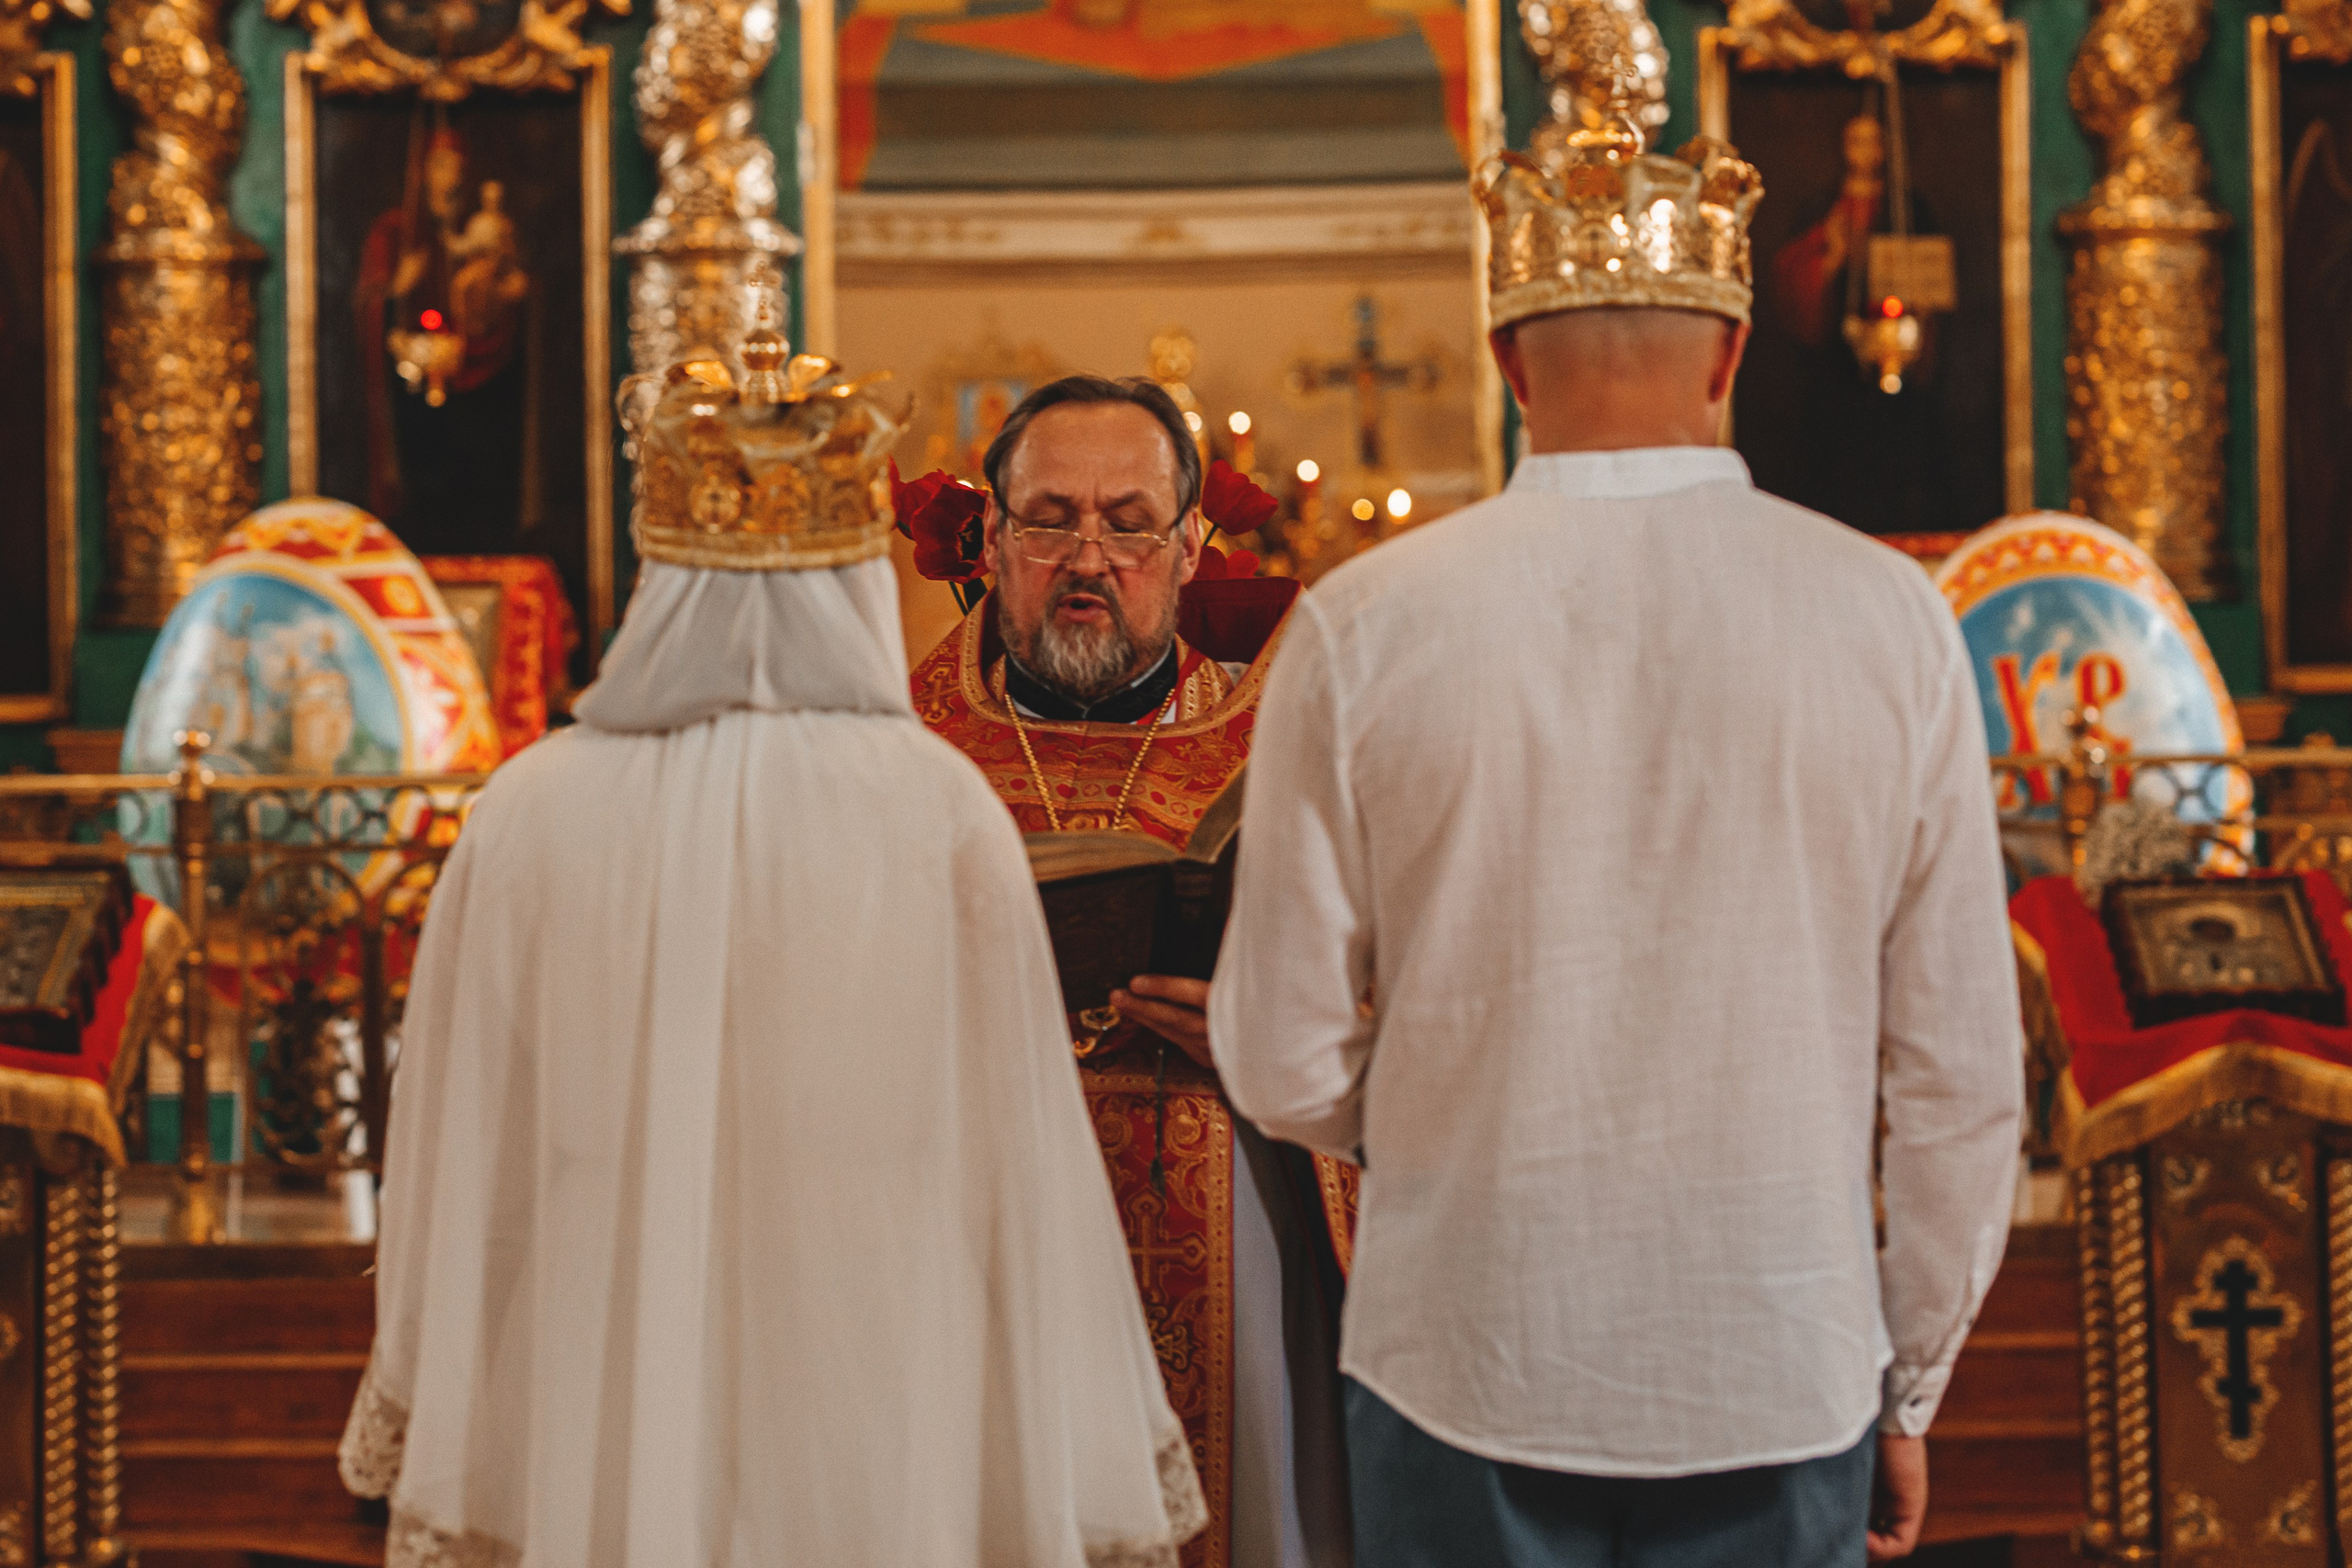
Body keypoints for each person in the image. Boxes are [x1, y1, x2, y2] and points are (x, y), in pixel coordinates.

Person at [1211, 125, 2024, 1567]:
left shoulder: (1365, 625)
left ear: (1509, 362)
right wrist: (1909, 1383)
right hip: (1779, 1356)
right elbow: (1961, 1073)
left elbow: (1278, 1055)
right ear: (1732, 353)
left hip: (1464, 1349)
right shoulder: (1887, 616)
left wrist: (1455, 1116)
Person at [338, 329, 1204, 1568]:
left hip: (595, 1341)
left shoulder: (525, 809)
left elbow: (453, 1136)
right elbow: (1017, 1161)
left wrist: (436, 1383)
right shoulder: (934, 803)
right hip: (876, 1344)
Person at [909, 376, 1357, 1568]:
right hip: (963, 1239)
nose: (1089, 557)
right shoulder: (902, 756)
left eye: (1130, 523)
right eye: (1051, 519)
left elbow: (1393, 1000)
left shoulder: (1287, 749)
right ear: (990, 538)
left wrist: (1278, 1036)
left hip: (1232, 1233)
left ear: (1191, 546)